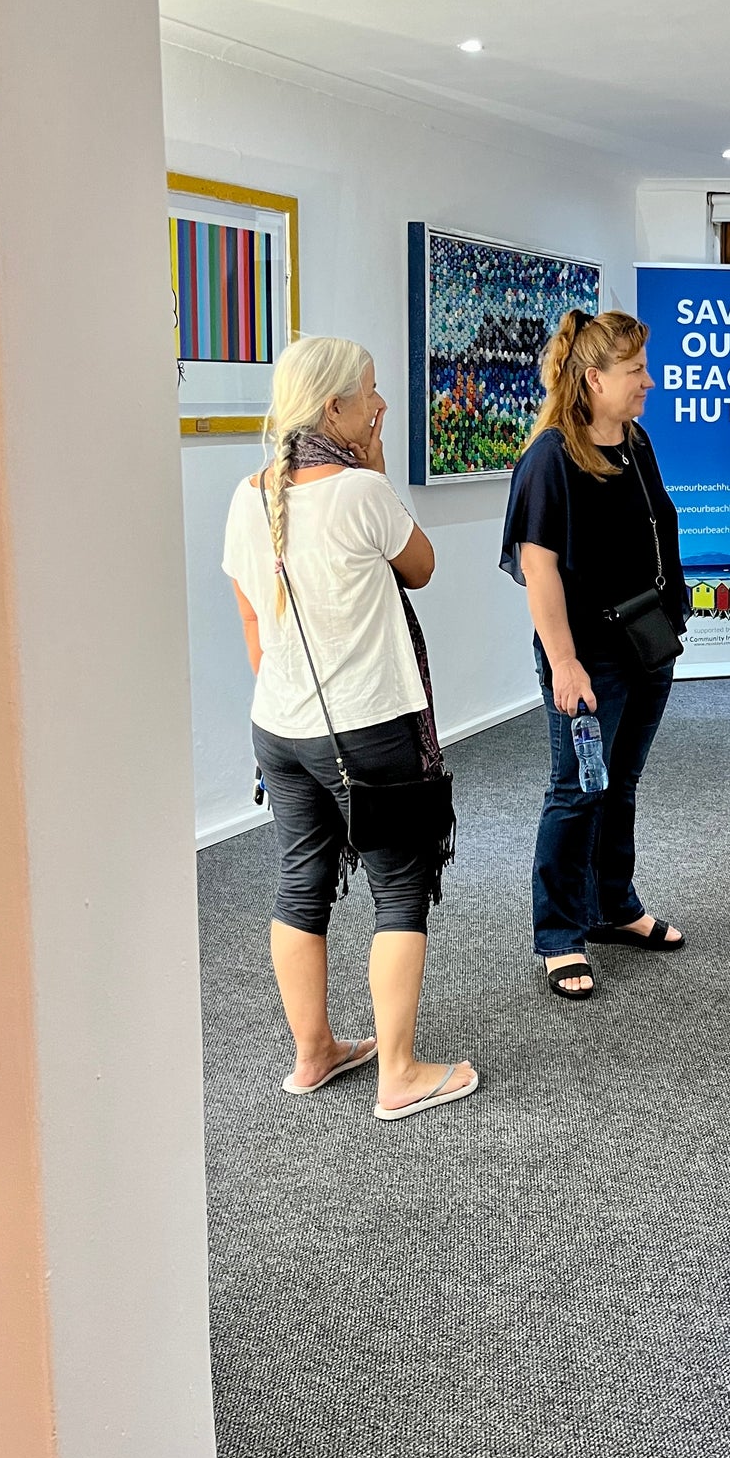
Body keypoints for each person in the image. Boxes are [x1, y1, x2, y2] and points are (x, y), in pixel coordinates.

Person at [222, 336, 477, 1121]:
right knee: (400, 887)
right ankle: (398, 1073)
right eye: (371, 393)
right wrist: (377, 466)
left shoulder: (250, 493)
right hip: (368, 730)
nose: (382, 406)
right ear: (335, 409)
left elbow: (253, 624)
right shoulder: (362, 494)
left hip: (279, 728)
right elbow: (424, 567)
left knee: (301, 881)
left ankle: (314, 1055)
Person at [500, 309, 690, 1000]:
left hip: (648, 645)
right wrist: (564, 663)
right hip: (587, 656)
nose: (648, 380)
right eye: (635, 370)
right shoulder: (551, 456)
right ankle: (558, 934)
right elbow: (539, 567)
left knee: (621, 784)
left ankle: (614, 907)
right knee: (577, 790)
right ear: (592, 380)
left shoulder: (635, 442)